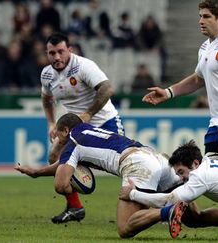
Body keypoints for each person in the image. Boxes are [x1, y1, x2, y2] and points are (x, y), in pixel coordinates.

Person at [15, 113, 218, 239]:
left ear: (63, 130)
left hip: (137, 166)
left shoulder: (71, 141)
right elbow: (63, 165)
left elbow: (62, 183)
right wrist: (36, 172)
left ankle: (166, 213)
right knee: (195, 219)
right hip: (156, 158)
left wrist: (68, 177)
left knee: (125, 229)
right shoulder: (89, 133)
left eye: (57, 135)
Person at [142, 0, 218, 219]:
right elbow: (198, 79)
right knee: (207, 178)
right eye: (200, 16)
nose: (201, 21)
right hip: (216, 122)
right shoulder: (205, 47)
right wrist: (168, 93)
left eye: (206, 16)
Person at [40, 33, 124, 224]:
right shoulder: (46, 74)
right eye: (52, 53)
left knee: (123, 165)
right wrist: (52, 123)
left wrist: (88, 114)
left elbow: (107, 89)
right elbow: (46, 100)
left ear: (69, 50)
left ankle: (158, 200)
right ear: (47, 54)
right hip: (77, 129)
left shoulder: (83, 66)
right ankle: (75, 207)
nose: (57, 57)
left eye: (61, 51)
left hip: (105, 122)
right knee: (55, 157)